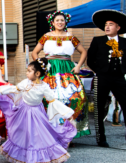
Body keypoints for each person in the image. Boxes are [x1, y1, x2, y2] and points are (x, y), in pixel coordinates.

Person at [0, 58, 76, 163]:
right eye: (27, 70)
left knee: (37, 135)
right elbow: (13, 89)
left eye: (29, 71)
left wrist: (66, 113)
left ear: (37, 73)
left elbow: (53, 101)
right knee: (22, 133)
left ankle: (39, 158)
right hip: (23, 111)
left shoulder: (44, 87)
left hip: (37, 113)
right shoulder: (25, 83)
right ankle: (22, 156)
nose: (27, 72)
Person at [32, 11, 90, 139]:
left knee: (75, 97)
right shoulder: (46, 36)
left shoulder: (71, 37)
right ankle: (50, 132)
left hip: (68, 69)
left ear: (65, 22)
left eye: (62, 20)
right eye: (57, 20)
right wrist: (41, 65)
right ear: (52, 23)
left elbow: (83, 52)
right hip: (50, 70)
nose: (60, 22)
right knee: (48, 98)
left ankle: (70, 133)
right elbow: (35, 52)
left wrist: (78, 66)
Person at [87, 9, 126, 147]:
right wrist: (99, 71)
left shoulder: (124, 42)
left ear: (118, 27)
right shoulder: (98, 41)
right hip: (102, 78)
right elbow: (90, 60)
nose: (107, 27)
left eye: (111, 24)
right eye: (105, 24)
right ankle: (101, 138)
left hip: (119, 78)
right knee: (98, 108)